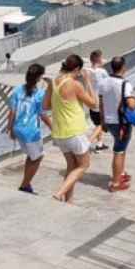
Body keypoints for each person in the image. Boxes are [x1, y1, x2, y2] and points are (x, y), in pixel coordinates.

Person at [43, 54, 99, 202]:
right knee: (84, 165)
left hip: (59, 133)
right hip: (74, 131)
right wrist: (87, 81)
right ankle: (59, 193)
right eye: (79, 71)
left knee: (71, 166)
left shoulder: (53, 83)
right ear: (76, 69)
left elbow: (45, 106)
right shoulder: (74, 84)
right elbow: (94, 104)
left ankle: (69, 200)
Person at [7, 64, 52, 194]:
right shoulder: (39, 94)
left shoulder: (17, 90)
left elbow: (12, 112)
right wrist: (53, 128)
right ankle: (24, 185)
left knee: (31, 156)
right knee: (38, 157)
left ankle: (26, 184)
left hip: (18, 129)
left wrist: (10, 129)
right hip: (31, 132)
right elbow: (42, 114)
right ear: (39, 77)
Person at [98, 56, 135, 192]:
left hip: (109, 121)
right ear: (123, 67)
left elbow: (101, 103)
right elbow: (131, 106)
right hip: (121, 123)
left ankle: (120, 174)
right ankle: (115, 183)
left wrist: (102, 121)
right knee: (118, 151)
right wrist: (134, 98)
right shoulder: (125, 84)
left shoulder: (103, 83)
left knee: (121, 148)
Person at [87, 50, 111, 152]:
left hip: (91, 101)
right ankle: (88, 142)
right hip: (101, 102)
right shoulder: (102, 72)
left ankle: (99, 144)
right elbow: (109, 84)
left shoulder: (87, 71)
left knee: (98, 124)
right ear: (98, 59)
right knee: (102, 124)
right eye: (101, 57)